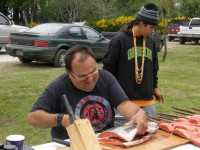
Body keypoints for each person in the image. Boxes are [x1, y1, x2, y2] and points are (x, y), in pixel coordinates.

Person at [28, 44, 147, 140]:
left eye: (93, 72)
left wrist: (137, 112)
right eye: (83, 77)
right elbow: (33, 118)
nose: (90, 80)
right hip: (71, 144)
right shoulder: (59, 86)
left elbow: (123, 105)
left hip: (104, 141)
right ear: (70, 73)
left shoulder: (106, 77)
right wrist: (62, 119)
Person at [102, 3, 164, 117]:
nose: (152, 31)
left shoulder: (150, 42)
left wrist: (155, 89)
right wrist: (114, 95)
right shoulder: (119, 41)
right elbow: (107, 71)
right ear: (141, 23)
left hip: (147, 102)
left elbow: (154, 68)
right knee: (125, 135)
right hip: (124, 103)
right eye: (151, 27)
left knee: (149, 134)